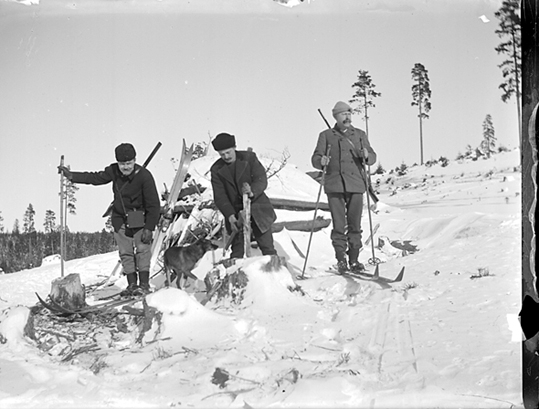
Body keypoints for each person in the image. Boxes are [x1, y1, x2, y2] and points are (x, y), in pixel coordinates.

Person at [58, 143, 161, 296]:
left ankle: (144, 285)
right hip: (120, 218)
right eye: (122, 164)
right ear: (117, 162)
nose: (126, 167)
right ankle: (132, 285)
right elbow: (95, 178)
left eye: (129, 163)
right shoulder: (113, 171)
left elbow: (154, 204)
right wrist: (72, 176)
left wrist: (149, 228)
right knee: (125, 252)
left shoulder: (145, 176)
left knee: (142, 250)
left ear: (135, 160)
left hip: (140, 218)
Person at [311, 101, 377, 274]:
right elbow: (315, 158)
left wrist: (367, 155)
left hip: (355, 184)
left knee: (355, 225)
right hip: (335, 186)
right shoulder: (326, 135)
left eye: (349, 114)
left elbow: (372, 157)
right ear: (336, 117)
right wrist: (321, 161)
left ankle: (354, 259)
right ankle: (341, 260)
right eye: (343, 114)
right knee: (339, 226)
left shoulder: (360, 135)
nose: (347, 117)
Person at [210, 132, 277, 259]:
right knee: (237, 252)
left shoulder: (249, 158)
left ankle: (275, 268)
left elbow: (261, 179)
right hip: (235, 213)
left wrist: (252, 191)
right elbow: (220, 196)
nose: (226, 156)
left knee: (267, 247)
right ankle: (237, 270)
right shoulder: (216, 169)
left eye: (228, 152)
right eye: (222, 154)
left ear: (234, 147)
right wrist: (230, 216)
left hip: (258, 208)